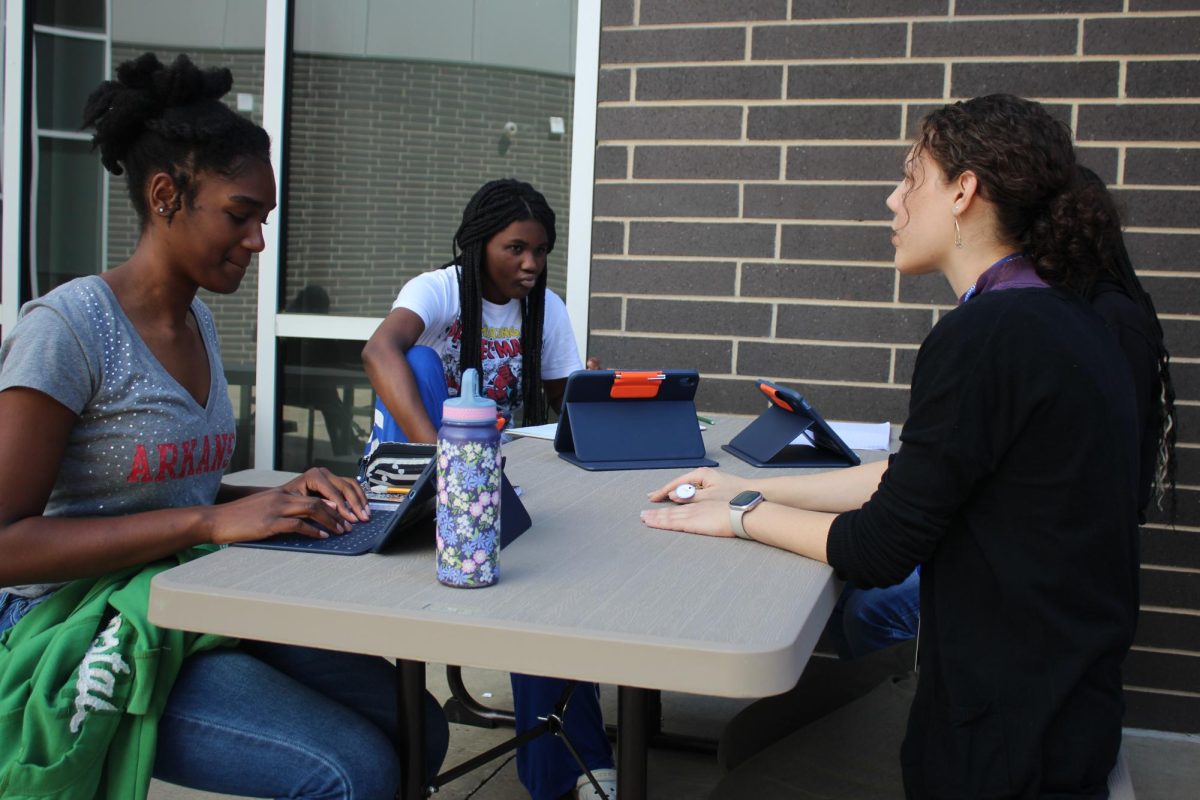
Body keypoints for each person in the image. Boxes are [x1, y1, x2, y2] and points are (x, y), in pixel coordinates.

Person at [642, 94, 1143, 798]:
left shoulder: (986, 337)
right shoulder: (1066, 321)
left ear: (964, 191)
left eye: (911, 177)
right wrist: (749, 487)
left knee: (744, 777)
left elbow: (878, 547)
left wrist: (739, 516)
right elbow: (912, 480)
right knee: (755, 737)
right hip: (1064, 714)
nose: (893, 199)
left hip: (1003, 750)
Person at [0, 53, 448, 798]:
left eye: (263, 219)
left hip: (183, 600)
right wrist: (211, 521)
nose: (257, 241)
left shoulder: (199, 321)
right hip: (75, 627)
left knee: (421, 729)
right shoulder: (68, 329)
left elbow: (169, 489)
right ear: (166, 194)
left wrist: (281, 495)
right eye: (240, 215)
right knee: (352, 771)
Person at [825, 164, 1179, 663]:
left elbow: (1099, 480)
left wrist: (744, 513)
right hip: (1001, 546)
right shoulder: (1029, 311)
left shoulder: (1100, 321)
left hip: (1039, 575)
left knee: (870, 606)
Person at [362, 178, 615, 800]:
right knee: (418, 360)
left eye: (540, 250)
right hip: (419, 475)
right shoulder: (439, 290)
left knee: (548, 586)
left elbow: (566, 404)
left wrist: (625, 415)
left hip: (495, 479)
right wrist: (446, 462)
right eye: (515, 248)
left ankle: (568, 767)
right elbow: (378, 351)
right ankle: (576, 758)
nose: (530, 263)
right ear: (480, 245)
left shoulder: (545, 308)